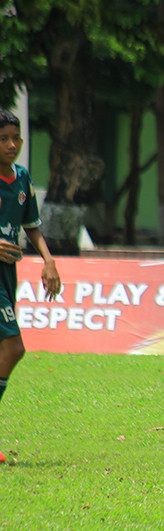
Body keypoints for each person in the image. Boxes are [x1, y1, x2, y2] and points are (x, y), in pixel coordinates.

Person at [0, 110, 61, 464]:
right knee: (14, 347)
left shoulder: (21, 178)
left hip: (8, 275)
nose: (12, 145)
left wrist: (48, 260)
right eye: (4, 139)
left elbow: (31, 226)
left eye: (16, 138)